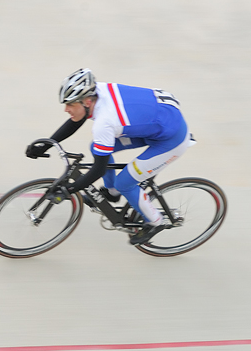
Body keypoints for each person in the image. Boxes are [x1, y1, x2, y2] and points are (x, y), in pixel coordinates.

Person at [26, 68, 194, 245]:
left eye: (70, 104)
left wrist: (69, 190)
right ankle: (112, 193)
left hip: (171, 139)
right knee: (96, 147)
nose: (66, 109)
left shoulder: (104, 122)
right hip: (154, 121)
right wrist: (46, 144)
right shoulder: (95, 91)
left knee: (125, 183)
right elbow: (77, 120)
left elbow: (98, 169)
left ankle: (155, 222)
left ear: (87, 101)